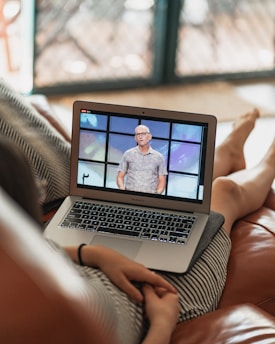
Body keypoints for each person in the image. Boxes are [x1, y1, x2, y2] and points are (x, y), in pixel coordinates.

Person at [1, 108, 275, 344]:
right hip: (153, 300)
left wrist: (91, 253)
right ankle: (268, 163)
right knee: (225, 193)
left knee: (173, 191)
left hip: (92, 269)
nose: (42, 192)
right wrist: (162, 325)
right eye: (37, 191)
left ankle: (226, 154)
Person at [117, 124, 167, 194]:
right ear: (135, 138)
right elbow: (120, 176)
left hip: (150, 199)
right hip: (129, 197)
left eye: (143, 134)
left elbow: (162, 181)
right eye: (138, 134)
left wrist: (156, 196)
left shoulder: (159, 157)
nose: (140, 137)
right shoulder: (128, 154)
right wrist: (123, 192)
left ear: (150, 136)